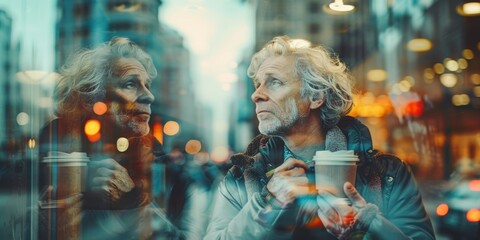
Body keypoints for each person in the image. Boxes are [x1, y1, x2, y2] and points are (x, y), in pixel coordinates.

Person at [205, 36, 435, 239]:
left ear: (316, 97)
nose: (256, 95)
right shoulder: (240, 179)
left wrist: (367, 226)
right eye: (257, 85)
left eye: (274, 82)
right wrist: (269, 205)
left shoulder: (388, 175)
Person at [37, 37, 196, 239]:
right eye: (130, 84)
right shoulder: (54, 157)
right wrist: (46, 218)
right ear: (91, 97)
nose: (149, 96)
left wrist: (134, 201)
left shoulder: (165, 169)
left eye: (147, 85)